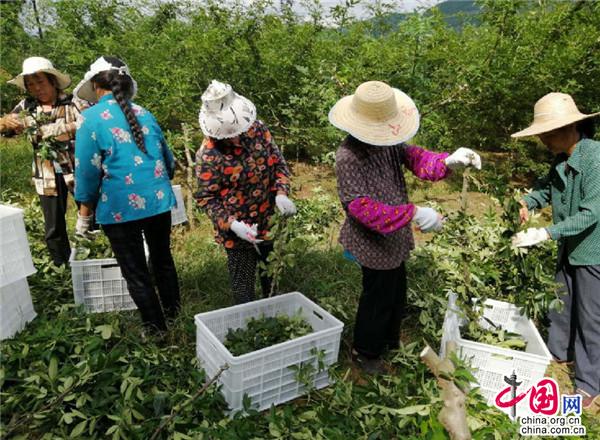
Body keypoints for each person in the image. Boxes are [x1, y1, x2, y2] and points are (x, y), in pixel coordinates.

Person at [329, 80, 482, 374]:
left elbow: (415, 157)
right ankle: (365, 351)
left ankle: (388, 340)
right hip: (372, 241)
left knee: (396, 290)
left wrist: (447, 161)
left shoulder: (389, 144)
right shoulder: (348, 156)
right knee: (377, 296)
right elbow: (358, 206)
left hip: (394, 236)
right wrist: (413, 213)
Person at [73, 56, 180, 331]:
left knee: (136, 272)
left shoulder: (89, 119)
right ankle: (175, 316)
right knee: (162, 260)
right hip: (158, 201)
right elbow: (168, 162)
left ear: (95, 85)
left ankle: (157, 330)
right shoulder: (145, 113)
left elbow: (86, 173)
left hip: (120, 206)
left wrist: (84, 214)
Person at [511, 92, 600, 412]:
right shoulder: (561, 160)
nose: (544, 140)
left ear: (571, 127)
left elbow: (592, 213)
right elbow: (546, 190)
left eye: (548, 133)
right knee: (561, 303)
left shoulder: (595, 159)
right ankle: (559, 353)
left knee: (591, 317)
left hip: (593, 251)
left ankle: (590, 383)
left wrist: (546, 232)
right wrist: (526, 202)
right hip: (569, 246)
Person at [194, 80, 296, 304]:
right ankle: (249, 319)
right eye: (228, 134)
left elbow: (279, 165)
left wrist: (281, 193)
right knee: (243, 288)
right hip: (238, 232)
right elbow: (206, 198)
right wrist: (232, 224)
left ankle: (273, 311)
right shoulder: (209, 154)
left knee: (272, 275)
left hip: (268, 219)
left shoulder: (258, 130)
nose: (235, 137)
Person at [0, 57, 87, 266]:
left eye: (40, 82)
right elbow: (6, 127)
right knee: (53, 226)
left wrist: (66, 129)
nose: (36, 88)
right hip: (46, 172)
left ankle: (90, 258)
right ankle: (63, 268)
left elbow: (91, 124)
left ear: (53, 82)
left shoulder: (73, 103)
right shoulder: (26, 107)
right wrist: (4, 122)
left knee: (90, 217)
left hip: (77, 169)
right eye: (31, 85)